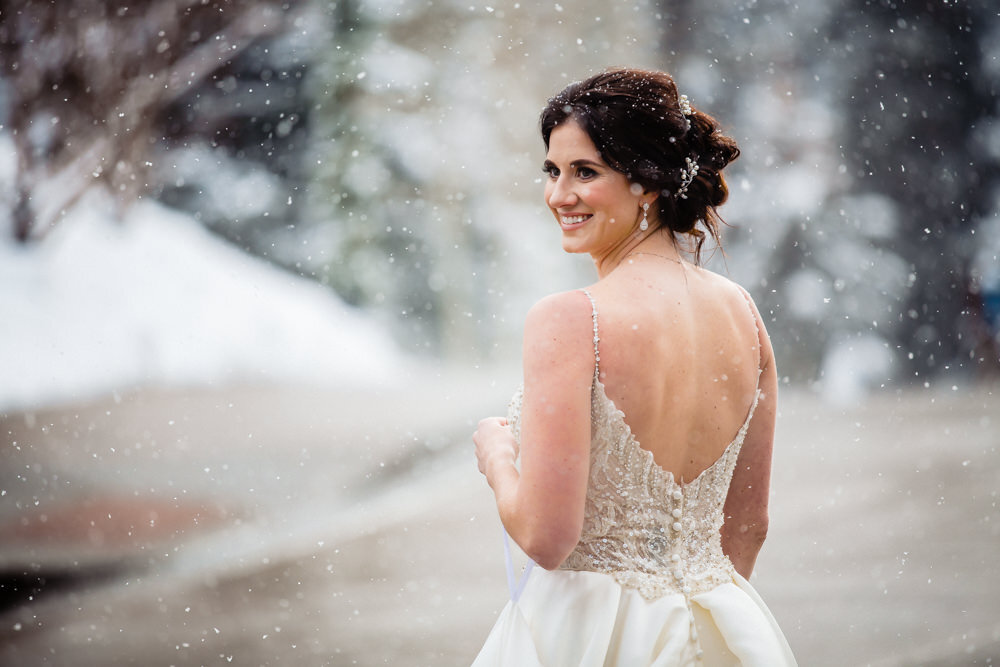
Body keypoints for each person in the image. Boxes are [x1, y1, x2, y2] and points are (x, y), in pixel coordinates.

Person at [471, 68, 797, 666]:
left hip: (589, 634)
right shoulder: (743, 315)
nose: (558, 195)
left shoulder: (571, 319)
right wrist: (686, 605)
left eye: (585, 172)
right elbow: (747, 527)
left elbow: (546, 536)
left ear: (647, 183)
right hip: (722, 625)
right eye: (552, 170)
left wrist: (496, 457)